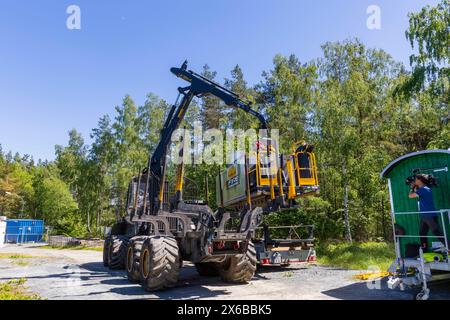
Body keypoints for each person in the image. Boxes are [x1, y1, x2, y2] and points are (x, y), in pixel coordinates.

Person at [408, 174, 443, 250]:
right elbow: (416, 192)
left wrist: (412, 187)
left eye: (416, 179)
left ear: (420, 180)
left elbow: (410, 196)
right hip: (424, 216)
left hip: (430, 215)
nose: (415, 181)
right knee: (422, 233)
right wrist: (414, 187)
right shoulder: (422, 189)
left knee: (438, 233)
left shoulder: (425, 189)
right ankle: (424, 249)